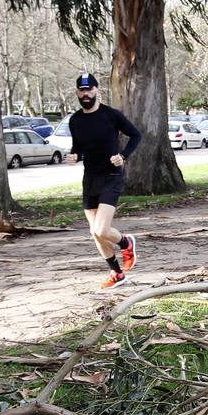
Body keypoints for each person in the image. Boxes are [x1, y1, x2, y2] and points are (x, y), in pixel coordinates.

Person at [67, 72, 142, 290]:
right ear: (77, 93)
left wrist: (123, 156)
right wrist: (74, 155)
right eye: (82, 90)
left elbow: (136, 135)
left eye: (89, 89)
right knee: (94, 233)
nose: (86, 93)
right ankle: (116, 273)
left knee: (101, 230)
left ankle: (126, 242)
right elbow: (79, 147)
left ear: (97, 90)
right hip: (90, 178)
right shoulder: (75, 120)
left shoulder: (111, 115)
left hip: (111, 176)